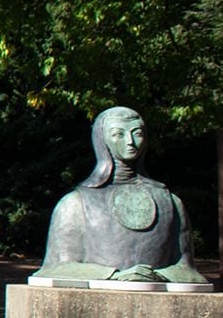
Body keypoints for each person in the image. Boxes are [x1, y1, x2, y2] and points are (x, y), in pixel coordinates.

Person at [34, 106, 208, 283]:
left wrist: (154, 276)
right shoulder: (75, 204)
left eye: (137, 134)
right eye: (119, 134)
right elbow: (55, 268)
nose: (130, 142)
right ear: (102, 140)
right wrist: (114, 275)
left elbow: (188, 270)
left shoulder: (170, 203)